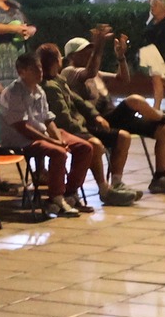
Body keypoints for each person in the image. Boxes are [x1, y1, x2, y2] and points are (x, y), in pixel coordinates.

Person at [62, 31, 165, 195]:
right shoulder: (70, 71)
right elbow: (90, 72)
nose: (89, 54)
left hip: (114, 116)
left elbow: (124, 79)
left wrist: (121, 57)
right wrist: (100, 46)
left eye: (90, 50)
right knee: (134, 100)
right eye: (84, 51)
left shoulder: (97, 74)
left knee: (164, 130)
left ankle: (160, 178)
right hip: (98, 120)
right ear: (72, 55)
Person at [0, 57, 98, 220]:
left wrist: (58, 138)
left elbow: (48, 119)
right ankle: (55, 199)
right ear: (22, 72)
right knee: (58, 153)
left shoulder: (39, 90)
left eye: (40, 68)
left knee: (84, 147)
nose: (40, 72)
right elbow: (22, 128)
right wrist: (53, 142)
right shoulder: (14, 92)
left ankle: (70, 193)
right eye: (34, 69)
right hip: (22, 139)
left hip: (41, 133)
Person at [31, 44, 131, 207]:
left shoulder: (59, 80)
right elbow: (62, 119)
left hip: (80, 125)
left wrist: (95, 116)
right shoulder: (48, 86)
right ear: (56, 61)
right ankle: (103, 190)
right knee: (94, 145)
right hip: (66, 130)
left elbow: (78, 100)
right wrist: (87, 132)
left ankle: (117, 183)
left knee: (123, 137)